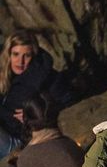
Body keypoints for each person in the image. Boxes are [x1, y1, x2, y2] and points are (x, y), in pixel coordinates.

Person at [0, 31, 71, 159]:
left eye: (26, 55)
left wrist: (34, 114)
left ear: (33, 55)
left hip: (20, 138)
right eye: (16, 54)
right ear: (8, 54)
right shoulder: (5, 74)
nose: (20, 61)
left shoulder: (45, 76)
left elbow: (66, 101)